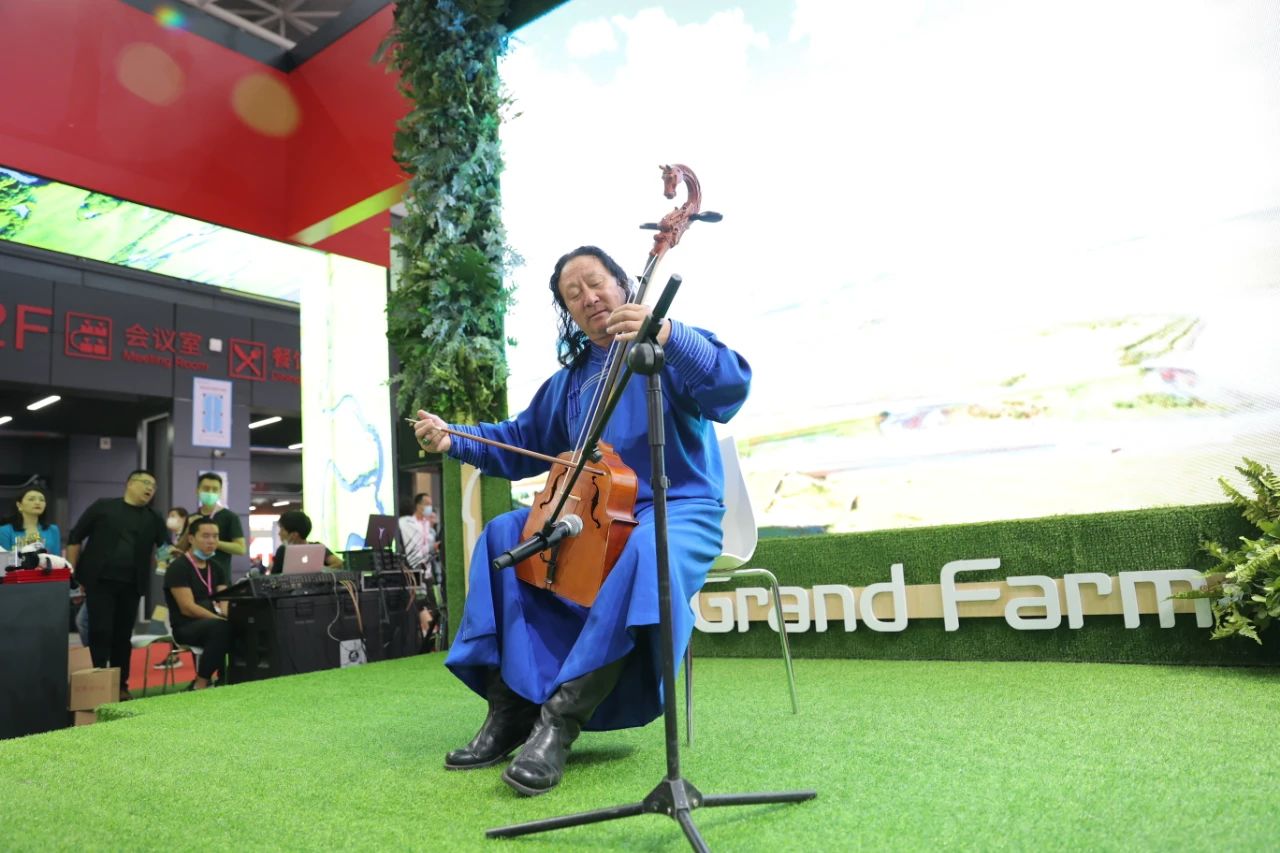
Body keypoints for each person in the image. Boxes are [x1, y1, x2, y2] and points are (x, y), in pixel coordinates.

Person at [413, 245, 750, 796]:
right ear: (568, 313)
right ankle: (511, 709)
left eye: (596, 284)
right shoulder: (571, 382)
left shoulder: (663, 346)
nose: (589, 298)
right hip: (595, 517)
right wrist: (455, 438)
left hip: (679, 509)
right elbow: (520, 440)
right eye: (573, 296)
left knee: (648, 548)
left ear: (622, 285)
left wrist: (668, 334)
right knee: (503, 534)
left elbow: (731, 388)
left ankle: (559, 723)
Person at [65, 470, 169, 702]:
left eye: (153, 486)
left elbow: (164, 548)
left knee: (122, 636)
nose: (150, 488)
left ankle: (121, 685)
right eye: (145, 483)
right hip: (99, 581)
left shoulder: (154, 517)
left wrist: (165, 564)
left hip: (132, 584)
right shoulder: (103, 507)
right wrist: (72, 573)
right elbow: (75, 537)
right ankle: (97, 682)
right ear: (130, 484)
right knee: (100, 631)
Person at [163, 516, 232, 690]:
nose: (212, 541)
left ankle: (229, 679)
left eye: (215, 536)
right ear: (191, 538)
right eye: (206, 536)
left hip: (212, 623)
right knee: (221, 627)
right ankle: (200, 683)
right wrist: (219, 619)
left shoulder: (217, 567)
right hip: (185, 626)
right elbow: (188, 608)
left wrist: (230, 617)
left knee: (241, 625)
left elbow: (224, 601)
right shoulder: (178, 567)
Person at [194, 473, 245, 588]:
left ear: (220, 492)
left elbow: (241, 548)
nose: (210, 492)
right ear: (197, 490)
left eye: (215, 489)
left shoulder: (230, 517)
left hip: (220, 580)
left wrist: (214, 543)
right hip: (194, 578)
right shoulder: (193, 518)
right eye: (206, 488)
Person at [0, 485, 62, 559]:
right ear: (19, 505)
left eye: (42, 500)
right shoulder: (5, 531)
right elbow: (4, 561)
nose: (38, 502)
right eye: (31, 499)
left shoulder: (53, 529)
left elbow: (57, 559)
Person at [272, 509, 344, 571]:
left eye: (282, 530)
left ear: (294, 534)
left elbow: (339, 564)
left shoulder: (317, 548)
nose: (279, 533)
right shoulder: (282, 551)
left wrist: (319, 573)